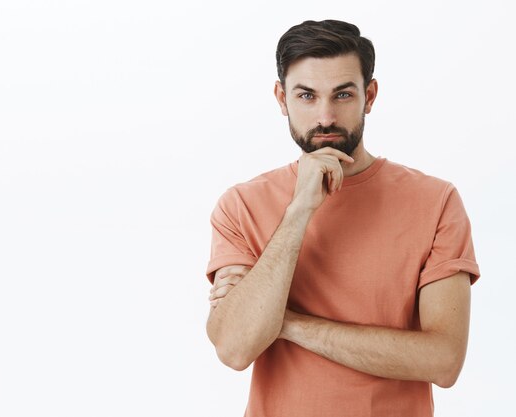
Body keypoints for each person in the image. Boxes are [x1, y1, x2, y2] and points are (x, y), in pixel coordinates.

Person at [205, 19, 480, 417]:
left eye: (343, 94)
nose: (325, 116)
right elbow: (234, 348)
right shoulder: (240, 206)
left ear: (369, 95)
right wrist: (299, 210)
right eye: (306, 96)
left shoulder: (436, 202)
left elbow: (444, 360)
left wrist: (284, 323)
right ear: (282, 99)